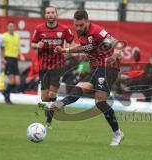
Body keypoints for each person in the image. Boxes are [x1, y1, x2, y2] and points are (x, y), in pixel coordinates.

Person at [50, 10, 124, 146]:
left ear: (87, 21)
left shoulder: (98, 31)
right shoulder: (81, 33)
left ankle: (117, 134)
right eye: (76, 25)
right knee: (82, 87)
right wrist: (64, 50)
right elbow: (82, 47)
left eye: (80, 25)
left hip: (109, 65)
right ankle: (61, 104)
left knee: (99, 100)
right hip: (96, 67)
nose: (78, 28)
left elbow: (116, 43)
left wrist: (116, 54)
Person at [31, 6, 74, 128]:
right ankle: (50, 111)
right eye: (48, 13)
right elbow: (33, 43)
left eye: (52, 13)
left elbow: (72, 42)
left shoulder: (64, 29)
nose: (50, 15)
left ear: (56, 15)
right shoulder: (39, 29)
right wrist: (37, 45)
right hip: (43, 67)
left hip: (58, 66)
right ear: (45, 15)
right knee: (44, 97)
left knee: (51, 94)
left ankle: (48, 123)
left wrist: (68, 51)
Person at [3, 21, 22, 104]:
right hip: (8, 59)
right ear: (8, 27)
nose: (11, 27)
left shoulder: (17, 36)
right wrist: (3, 59)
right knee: (11, 80)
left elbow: (18, 48)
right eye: (10, 26)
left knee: (17, 82)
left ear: (14, 27)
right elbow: (1, 48)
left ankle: (5, 92)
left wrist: (21, 56)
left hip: (15, 59)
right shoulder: (4, 36)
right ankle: (7, 99)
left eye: (12, 26)